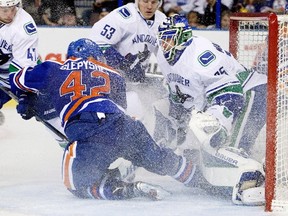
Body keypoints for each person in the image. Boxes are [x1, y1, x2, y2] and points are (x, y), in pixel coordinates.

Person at [9, 38, 198, 201]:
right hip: (125, 126)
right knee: (158, 158)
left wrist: (26, 98)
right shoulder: (113, 74)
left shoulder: (53, 67)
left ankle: (127, 189)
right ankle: (200, 178)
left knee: (76, 183)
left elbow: (15, 79)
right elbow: (118, 110)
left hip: (88, 130)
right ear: (98, 57)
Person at [153, 14, 266, 205]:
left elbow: (231, 93)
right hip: (232, 96)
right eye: (163, 38)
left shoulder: (200, 55)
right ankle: (252, 174)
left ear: (182, 36)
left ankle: (253, 183)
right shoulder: (164, 57)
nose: (165, 44)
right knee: (206, 149)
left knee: (228, 147)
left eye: (170, 38)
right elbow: (179, 97)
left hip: (250, 93)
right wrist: (179, 130)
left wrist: (218, 125)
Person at [88, 0, 167, 129]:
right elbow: (95, 44)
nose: (149, 6)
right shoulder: (123, 17)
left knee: (162, 100)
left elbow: (166, 55)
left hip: (136, 81)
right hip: (109, 81)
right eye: (145, 1)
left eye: (153, 2)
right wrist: (123, 65)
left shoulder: (162, 21)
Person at [0, 0, 40, 125]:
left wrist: (26, 94)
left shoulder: (23, 27)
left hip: (14, 78)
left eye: (13, 8)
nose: (10, 14)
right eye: (5, 10)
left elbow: (24, 68)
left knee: (48, 114)